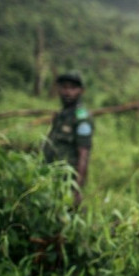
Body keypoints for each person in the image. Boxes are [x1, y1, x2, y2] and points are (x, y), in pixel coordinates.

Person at [43, 71, 93, 207]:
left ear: (81, 91)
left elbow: (84, 153)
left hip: (67, 182)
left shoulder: (82, 118)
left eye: (72, 88)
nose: (67, 92)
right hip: (51, 177)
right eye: (64, 87)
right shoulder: (61, 115)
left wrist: (77, 188)